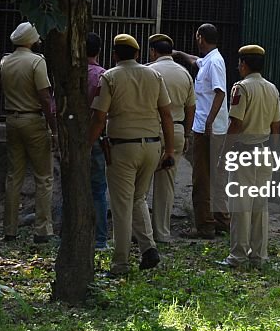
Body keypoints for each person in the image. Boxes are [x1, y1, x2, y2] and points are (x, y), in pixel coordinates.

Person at [88, 34, 175, 276]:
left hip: (122, 149)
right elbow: (166, 114)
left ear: (115, 54)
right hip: (152, 146)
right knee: (138, 199)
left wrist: (87, 144)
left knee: (121, 206)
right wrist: (169, 150)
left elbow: (99, 117)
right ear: (137, 54)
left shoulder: (110, 77)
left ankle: (120, 264)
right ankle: (148, 248)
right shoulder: (154, 75)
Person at [216, 45, 280, 269]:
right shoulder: (272, 89)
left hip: (244, 152)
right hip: (264, 151)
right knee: (259, 205)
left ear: (244, 64)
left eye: (239, 63)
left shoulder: (241, 88)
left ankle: (238, 256)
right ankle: (259, 256)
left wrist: (224, 154)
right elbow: (276, 125)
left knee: (239, 205)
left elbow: (235, 124)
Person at [0, 21, 58, 244]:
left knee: (14, 176)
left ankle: (9, 229)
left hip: (12, 118)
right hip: (34, 120)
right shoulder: (36, 62)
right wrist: (54, 127)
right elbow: (45, 97)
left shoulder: (4, 61)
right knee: (44, 177)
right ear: (32, 40)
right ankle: (42, 229)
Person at [172, 23, 230, 239]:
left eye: (197, 36)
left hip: (208, 129)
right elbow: (195, 61)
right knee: (216, 177)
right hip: (214, 128)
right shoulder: (211, 59)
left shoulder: (215, 63)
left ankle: (205, 225)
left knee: (202, 178)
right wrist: (178, 54)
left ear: (201, 38)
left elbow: (220, 93)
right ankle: (222, 221)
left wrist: (208, 122)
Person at [146, 33, 195, 244]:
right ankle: (162, 233)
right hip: (176, 131)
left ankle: (138, 232)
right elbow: (191, 107)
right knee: (166, 186)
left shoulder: (148, 72)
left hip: (151, 131)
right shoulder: (184, 74)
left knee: (140, 185)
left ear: (153, 52)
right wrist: (187, 133)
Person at [86, 32, 110, 251]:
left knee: (71, 186)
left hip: (74, 137)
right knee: (99, 189)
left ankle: (68, 233)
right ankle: (101, 238)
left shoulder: (71, 75)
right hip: (97, 137)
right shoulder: (103, 76)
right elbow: (104, 113)